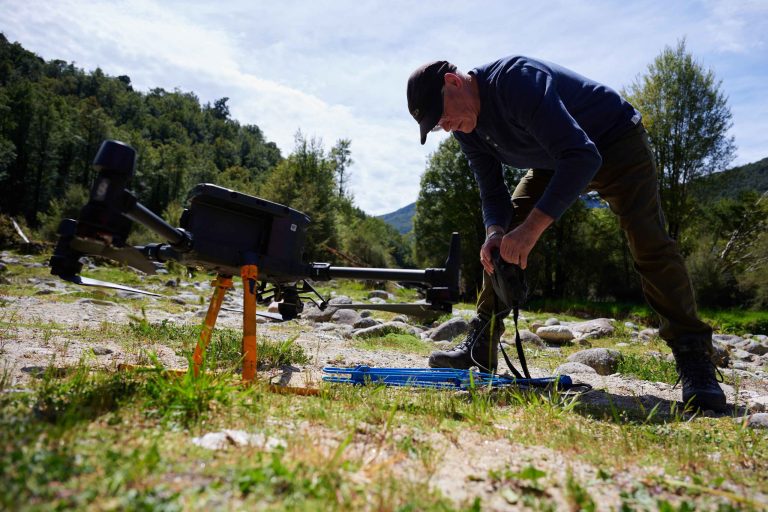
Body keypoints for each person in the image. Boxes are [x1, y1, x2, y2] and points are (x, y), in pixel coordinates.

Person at [406, 57, 727, 412]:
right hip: (555, 161)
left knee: (648, 242)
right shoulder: (467, 129)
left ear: (453, 82)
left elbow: (582, 156)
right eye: (436, 127)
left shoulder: (516, 82)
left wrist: (531, 231)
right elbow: (492, 192)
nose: (446, 127)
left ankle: (695, 358)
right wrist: (495, 232)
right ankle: (481, 345)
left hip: (616, 141)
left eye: (441, 115)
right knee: (505, 234)